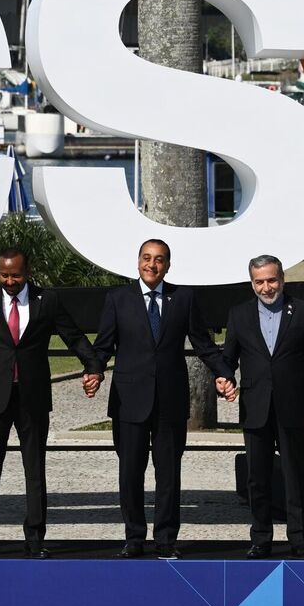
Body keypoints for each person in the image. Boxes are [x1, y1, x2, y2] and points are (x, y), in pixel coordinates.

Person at [0, 248, 101, 558]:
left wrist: (93, 366)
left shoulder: (48, 300)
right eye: (4, 275)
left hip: (33, 396)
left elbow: (73, 337)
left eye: (15, 276)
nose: (9, 281)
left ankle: (34, 538)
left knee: (34, 469)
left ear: (27, 273)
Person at [86, 238, 226, 560]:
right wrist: (94, 371)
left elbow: (203, 344)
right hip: (129, 401)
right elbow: (103, 345)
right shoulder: (118, 299)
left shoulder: (184, 298)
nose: (152, 264)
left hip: (170, 402)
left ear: (168, 265)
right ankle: (134, 538)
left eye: (159, 259)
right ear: (138, 262)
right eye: (147, 258)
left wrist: (224, 373)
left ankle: (165, 539)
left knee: (168, 475)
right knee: (130, 473)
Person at [216, 254, 304, 560]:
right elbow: (228, 359)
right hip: (255, 407)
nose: (266, 287)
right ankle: (261, 539)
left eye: (271, 280)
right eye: (259, 281)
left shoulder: (303, 312)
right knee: (257, 478)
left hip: (294, 408)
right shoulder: (239, 314)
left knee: (295, 476)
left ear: (282, 279)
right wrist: (223, 379)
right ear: (252, 283)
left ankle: (300, 540)